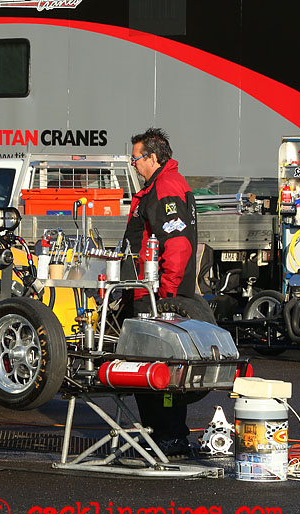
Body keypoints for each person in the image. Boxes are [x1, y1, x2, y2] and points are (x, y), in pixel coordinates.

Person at [123, 127, 198, 458]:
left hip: (156, 297)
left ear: (152, 157)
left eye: (136, 158)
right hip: (150, 292)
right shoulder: (160, 185)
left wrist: (164, 297)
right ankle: (161, 434)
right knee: (154, 370)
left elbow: (177, 246)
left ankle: (167, 436)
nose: (134, 164)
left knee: (156, 370)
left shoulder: (165, 187)